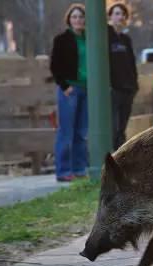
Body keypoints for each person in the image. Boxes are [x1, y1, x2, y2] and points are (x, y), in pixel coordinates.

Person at [50, 3, 88, 182]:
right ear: (69, 20)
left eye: (81, 17)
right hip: (70, 90)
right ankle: (64, 171)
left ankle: (79, 169)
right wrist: (65, 86)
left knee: (81, 132)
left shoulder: (90, 39)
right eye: (74, 17)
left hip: (87, 90)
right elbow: (54, 66)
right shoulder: (62, 39)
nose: (78, 20)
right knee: (66, 132)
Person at [108, 2, 138, 150]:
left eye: (123, 14)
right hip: (113, 88)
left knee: (122, 127)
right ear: (110, 16)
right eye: (117, 13)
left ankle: (120, 159)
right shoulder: (106, 36)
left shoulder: (126, 39)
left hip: (128, 89)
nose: (120, 17)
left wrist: (135, 85)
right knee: (113, 127)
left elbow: (132, 64)